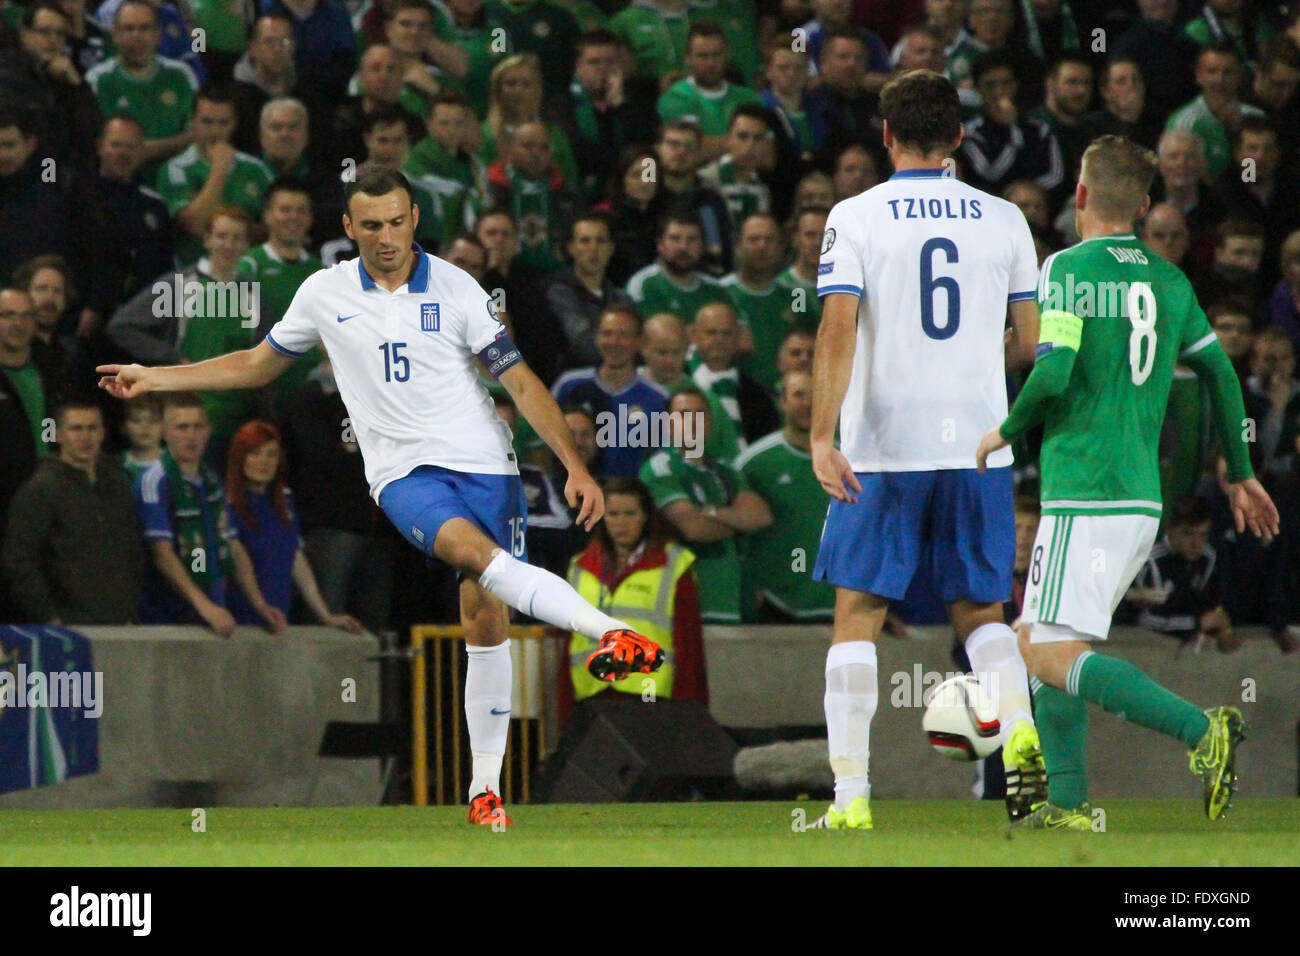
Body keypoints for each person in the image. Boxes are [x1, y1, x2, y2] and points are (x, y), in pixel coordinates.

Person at [98, 166, 668, 826]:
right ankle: (613, 634)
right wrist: (156, 376)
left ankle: (486, 790)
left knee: (485, 621)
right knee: (473, 554)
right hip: (402, 473)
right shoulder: (323, 292)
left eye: (397, 221)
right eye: (371, 225)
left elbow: (520, 381)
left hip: (487, 464)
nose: (386, 236)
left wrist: (572, 464)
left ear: (414, 218)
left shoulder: (459, 289)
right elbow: (256, 362)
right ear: (348, 228)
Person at [975, 134, 1278, 829]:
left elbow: (1051, 372)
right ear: (1143, 205)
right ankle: (1069, 804)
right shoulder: (1172, 282)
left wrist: (1003, 431)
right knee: (1048, 637)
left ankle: (1201, 731)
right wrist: (1240, 472)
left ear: (1079, 195)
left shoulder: (1066, 270)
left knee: (1041, 649)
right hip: (1139, 495)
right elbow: (1222, 375)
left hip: (1086, 487)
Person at [811, 69, 1044, 831]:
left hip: (882, 445)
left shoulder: (854, 215)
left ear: (885, 135)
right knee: (983, 615)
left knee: (857, 616)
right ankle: (1024, 764)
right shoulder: (1007, 218)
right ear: (956, 138)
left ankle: (850, 799)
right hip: (978, 443)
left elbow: (837, 330)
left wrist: (820, 434)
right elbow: (1034, 345)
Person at [132, 391, 287, 633]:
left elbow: (232, 544)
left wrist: (259, 604)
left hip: (210, 613)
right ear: (164, 432)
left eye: (197, 427)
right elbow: (161, 553)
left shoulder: (212, 481)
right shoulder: (155, 481)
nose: (191, 436)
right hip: (166, 616)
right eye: (181, 427)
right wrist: (205, 606)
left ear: (208, 430)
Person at [562, 475, 705, 718]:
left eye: (630, 514)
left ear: (646, 516)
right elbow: (568, 646)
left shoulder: (674, 565)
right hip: (592, 698)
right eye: (613, 514)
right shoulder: (579, 568)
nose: (621, 523)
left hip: (651, 700)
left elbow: (689, 647)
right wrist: (565, 712)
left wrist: (690, 712)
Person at [2, 399, 145, 625]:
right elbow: (19, 560)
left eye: (92, 428)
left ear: (103, 433)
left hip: (121, 622)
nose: (85, 437)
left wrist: (130, 608)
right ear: (58, 435)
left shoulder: (118, 482)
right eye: (76, 429)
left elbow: (132, 549)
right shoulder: (40, 489)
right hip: (67, 626)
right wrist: (48, 616)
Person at [638, 386, 772, 623]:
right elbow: (696, 529)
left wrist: (709, 512)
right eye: (683, 414)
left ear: (710, 421)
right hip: (686, 596)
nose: (692, 422)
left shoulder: (726, 470)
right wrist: (738, 523)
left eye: (699, 414)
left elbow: (760, 517)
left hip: (732, 595)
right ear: (668, 423)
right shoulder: (660, 468)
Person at [224, 420, 364, 632]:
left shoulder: (284, 501)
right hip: (240, 623)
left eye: (271, 454)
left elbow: (295, 559)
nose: (264, 462)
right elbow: (236, 559)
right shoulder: (227, 503)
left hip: (279, 620)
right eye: (255, 453)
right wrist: (260, 605)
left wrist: (326, 615)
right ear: (239, 458)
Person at [735, 369, 833, 622]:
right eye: (799, 395)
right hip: (772, 602)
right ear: (782, 402)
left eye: (817, 395)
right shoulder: (754, 463)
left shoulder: (853, 463)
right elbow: (737, 533)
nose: (808, 404)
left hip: (836, 604)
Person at [157, 84, 274, 267]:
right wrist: (220, 168)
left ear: (234, 123)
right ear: (193, 121)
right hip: (194, 276)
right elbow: (195, 224)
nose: (215, 131)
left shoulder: (257, 169)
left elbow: (273, 230)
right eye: (207, 122)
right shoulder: (176, 169)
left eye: (223, 123)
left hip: (248, 274)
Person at [550, 306, 669, 477]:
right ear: (597, 337)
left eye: (623, 335)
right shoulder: (569, 385)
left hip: (629, 497)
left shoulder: (658, 398)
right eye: (607, 333)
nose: (614, 342)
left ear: (640, 341)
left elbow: (664, 457)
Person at [85, 0, 198, 173]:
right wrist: (173, 143)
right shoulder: (98, 80)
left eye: (145, 28)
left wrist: (146, 149)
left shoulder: (181, 75)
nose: (137, 35)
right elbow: (97, 143)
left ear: (158, 35)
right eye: (129, 28)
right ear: (115, 35)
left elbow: (198, 134)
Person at [1126, 496, 1235, 654]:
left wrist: (1221, 628)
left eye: (1203, 535)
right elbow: (1144, 619)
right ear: (1170, 529)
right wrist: (1197, 623)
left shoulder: (1208, 557)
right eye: (1188, 534)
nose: (1196, 543)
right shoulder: (1150, 562)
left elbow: (1207, 603)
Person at [544, 214, 633, 368]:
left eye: (600, 241)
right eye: (585, 241)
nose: (593, 248)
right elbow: (584, 347)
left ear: (610, 248)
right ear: (571, 248)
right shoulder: (559, 293)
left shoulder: (621, 298)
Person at [627, 211, 728, 328]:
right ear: (660, 244)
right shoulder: (644, 285)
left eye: (691, 239)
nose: (683, 247)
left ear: (702, 246)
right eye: (675, 239)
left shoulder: (717, 291)